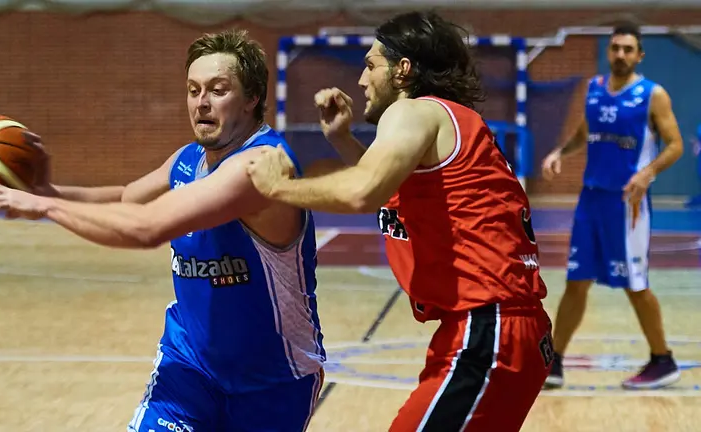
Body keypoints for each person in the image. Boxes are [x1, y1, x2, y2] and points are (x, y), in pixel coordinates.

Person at [0, 29, 326, 432]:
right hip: (189, 369)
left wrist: (47, 206)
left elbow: (146, 228)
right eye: (193, 90)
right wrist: (47, 191)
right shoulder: (188, 158)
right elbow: (127, 198)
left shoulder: (261, 167)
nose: (201, 103)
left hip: (274, 382)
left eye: (218, 90)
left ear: (253, 98)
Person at [247, 11, 552, 432]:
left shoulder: (414, 112)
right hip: (509, 330)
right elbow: (394, 196)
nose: (360, 79)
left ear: (403, 69)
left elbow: (362, 191)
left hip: (487, 330)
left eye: (371, 65)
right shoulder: (451, 120)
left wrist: (276, 188)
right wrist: (342, 139)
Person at [540, 23, 684, 390]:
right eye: (616, 48)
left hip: (627, 205)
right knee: (576, 280)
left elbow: (674, 145)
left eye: (628, 49)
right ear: (609, 51)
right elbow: (586, 132)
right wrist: (560, 151)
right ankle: (553, 362)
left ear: (639, 55)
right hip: (590, 201)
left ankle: (662, 359)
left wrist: (646, 174)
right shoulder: (594, 88)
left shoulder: (653, 95)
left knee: (635, 285)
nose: (621, 54)